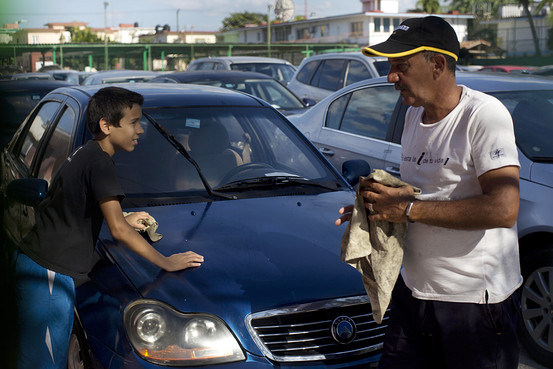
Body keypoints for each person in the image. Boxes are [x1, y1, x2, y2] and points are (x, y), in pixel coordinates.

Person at [335, 16, 522, 369]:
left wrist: (406, 209)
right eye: (390, 66)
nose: (391, 77)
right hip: (414, 294)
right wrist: (375, 209)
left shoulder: (483, 115)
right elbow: (429, 192)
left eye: (400, 66)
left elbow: (503, 209)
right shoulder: (413, 116)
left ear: (437, 64)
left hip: (472, 306)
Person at [14, 86, 204, 369]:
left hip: (40, 267)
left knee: (37, 356)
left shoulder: (88, 154)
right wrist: (166, 261)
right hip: (48, 275)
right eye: (133, 122)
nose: (140, 130)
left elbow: (78, 207)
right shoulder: (100, 163)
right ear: (106, 125)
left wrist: (125, 218)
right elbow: (118, 231)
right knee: (43, 361)